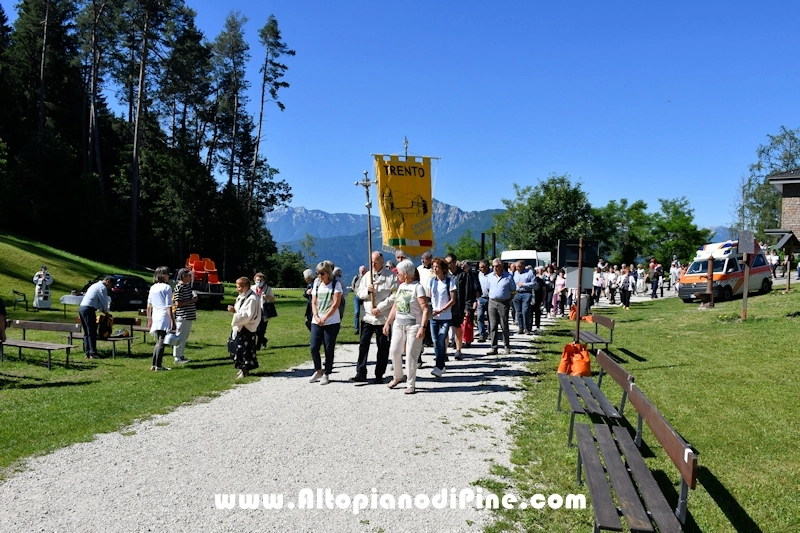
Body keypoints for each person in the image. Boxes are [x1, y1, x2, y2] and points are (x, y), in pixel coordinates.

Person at [383, 259, 429, 394]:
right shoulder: (401, 286)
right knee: (394, 351)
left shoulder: (418, 287)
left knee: (411, 355)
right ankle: (398, 376)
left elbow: (425, 309)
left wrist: (422, 327)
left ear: (406, 274)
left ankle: (410, 383)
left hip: (414, 325)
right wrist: (388, 322)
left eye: (398, 273)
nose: (397, 275)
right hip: (399, 324)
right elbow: (395, 306)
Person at [352, 251, 397, 384]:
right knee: (363, 345)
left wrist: (380, 308)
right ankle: (360, 372)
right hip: (367, 317)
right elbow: (358, 292)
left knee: (382, 347)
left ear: (382, 262)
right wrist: (367, 290)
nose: (373, 265)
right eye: (371, 262)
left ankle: (379, 374)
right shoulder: (367, 276)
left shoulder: (391, 277)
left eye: (376, 262)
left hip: (382, 318)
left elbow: (394, 296)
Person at [309, 262, 343, 385]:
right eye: (318, 273)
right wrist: (316, 316)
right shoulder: (317, 283)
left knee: (328, 348)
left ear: (328, 273)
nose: (319, 276)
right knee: (313, 347)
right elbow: (314, 302)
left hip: (331, 322)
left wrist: (325, 318)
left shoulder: (336, 284)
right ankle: (318, 370)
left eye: (322, 273)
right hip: (316, 321)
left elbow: (335, 304)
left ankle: (327, 373)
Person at [227, 277, 261, 379]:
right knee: (234, 346)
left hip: (247, 328)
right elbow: (241, 309)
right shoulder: (242, 296)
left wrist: (234, 312)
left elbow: (248, 315)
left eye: (239, 287)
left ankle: (245, 370)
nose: (237, 289)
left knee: (245, 350)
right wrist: (234, 310)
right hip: (240, 326)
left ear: (245, 287)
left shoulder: (252, 298)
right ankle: (242, 367)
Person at [428, 257, 456, 378]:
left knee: (441, 339)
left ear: (442, 268)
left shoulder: (450, 281)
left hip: (445, 316)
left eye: (437, 267)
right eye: (433, 266)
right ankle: (441, 365)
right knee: (435, 341)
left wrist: (442, 309)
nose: (435, 269)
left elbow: (453, 300)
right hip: (433, 317)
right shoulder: (431, 282)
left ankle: (438, 366)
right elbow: (430, 298)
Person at [78, 275, 113, 359]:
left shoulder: (95, 285)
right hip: (89, 309)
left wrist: (105, 312)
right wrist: (107, 313)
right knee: (92, 332)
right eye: (111, 285)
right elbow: (103, 302)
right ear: (108, 281)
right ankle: (93, 353)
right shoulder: (102, 287)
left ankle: (87, 352)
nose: (110, 287)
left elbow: (98, 303)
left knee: (87, 332)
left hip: (82, 308)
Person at [147, 266, 174, 371]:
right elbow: (168, 306)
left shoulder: (153, 287)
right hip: (163, 315)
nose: (168, 276)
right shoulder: (167, 288)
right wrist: (172, 320)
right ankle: (158, 365)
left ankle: (154, 364)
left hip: (156, 315)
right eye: (167, 274)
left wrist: (149, 318)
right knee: (162, 341)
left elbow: (149, 305)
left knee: (159, 341)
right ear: (163, 275)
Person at [486, 259, 515, 355]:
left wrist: (508, 300)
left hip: (504, 303)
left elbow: (513, 291)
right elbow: (487, 289)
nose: (495, 268)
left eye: (497, 266)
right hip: (492, 302)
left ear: (502, 266)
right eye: (493, 266)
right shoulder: (490, 276)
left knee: (504, 325)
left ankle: (506, 346)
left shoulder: (508, 277)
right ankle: (494, 348)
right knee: (493, 326)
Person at [171, 268, 197, 364]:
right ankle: (177, 357)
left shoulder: (187, 286)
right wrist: (192, 301)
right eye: (189, 275)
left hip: (188, 316)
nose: (190, 277)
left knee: (184, 337)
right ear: (183, 276)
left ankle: (181, 355)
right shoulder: (179, 287)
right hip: (183, 316)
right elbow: (178, 303)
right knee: (179, 336)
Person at [253, 272, 275, 351]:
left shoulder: (268, 288)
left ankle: (258, 346)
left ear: (264, 281)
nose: (259, 282)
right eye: (257, 280)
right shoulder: (252, 288)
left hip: (264, 311)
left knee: (262, 330)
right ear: (255, 280)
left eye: (261, 280)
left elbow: (273, 299)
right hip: (254, 311)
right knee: (255, 329)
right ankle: (264, 340)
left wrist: (267, 297)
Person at [512, 260, 535, 334]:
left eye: (518, 267)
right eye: (516, 267)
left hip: (526, 293)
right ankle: (520, 328)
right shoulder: (515, 273)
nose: (517, 268)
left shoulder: (529, 272)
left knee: (525, 311)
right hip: (517, 294)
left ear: (523, 266)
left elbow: (534, 283)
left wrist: (524, 284)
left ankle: (527, 328)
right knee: (518, 312)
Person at [476, 260, 491, 341]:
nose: (481, 269)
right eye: (480, 267)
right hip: (481, 298)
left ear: (487, 266)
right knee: (480, 316)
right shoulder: (479, 274)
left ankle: (490, 333)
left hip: (490, 298)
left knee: (490, 317)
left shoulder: (492, 274)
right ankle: (482, 334)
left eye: (482, 267)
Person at [352, 265, 367, 334]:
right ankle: (357, 329)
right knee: (356, 312)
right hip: (357, 297)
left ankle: (365, 328)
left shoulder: (367, 278)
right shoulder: (356, 277)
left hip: (365, 297)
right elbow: (353, 286)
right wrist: (356, 292)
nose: (362, 272)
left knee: (366, 313)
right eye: (361, 270)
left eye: (363, 270)